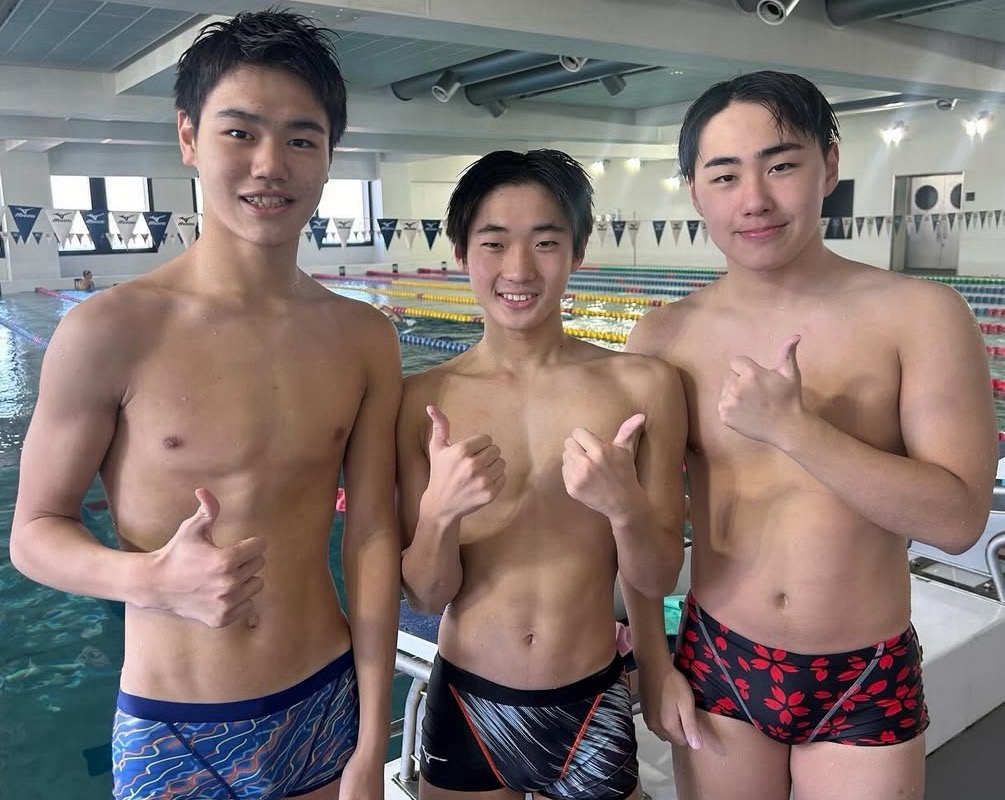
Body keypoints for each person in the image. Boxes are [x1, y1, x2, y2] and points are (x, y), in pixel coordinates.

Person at [10, 10, 401, 800]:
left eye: (301, 139)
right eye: (240, 133)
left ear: (329, 157)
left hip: (324, 701)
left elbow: (370, 535)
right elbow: (34, 534)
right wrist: (150, 579)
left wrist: (371, 737)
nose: (270, 165)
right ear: (188, 137)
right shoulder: (110, 331)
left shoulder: (364, 338)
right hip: (177, 722)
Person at [625, 70, 997, 800]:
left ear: (828, 167)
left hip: (863, 673)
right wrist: (652, 662)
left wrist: (797, 431)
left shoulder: (921, 316)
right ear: (695, 192)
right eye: (724, 175)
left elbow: (957, 521)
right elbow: (645, 526)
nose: (754, 200)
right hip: (720, 660)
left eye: (780, 166)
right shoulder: (663, 337)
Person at [396, 149, 689, 800]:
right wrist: (440, 514)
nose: (519, 269)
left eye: (546, 242)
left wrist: (625, 510)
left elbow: (657, 576)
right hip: (466, 702)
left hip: (591, 700)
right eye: (494, 243)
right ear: (461, 252)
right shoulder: (420, 400)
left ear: (578, 251)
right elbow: (425, 595)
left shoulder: (642, 386)